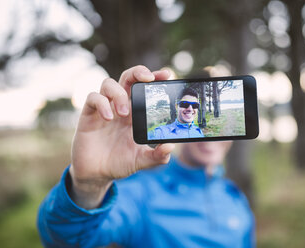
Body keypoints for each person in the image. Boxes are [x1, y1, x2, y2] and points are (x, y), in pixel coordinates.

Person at [37, 65, 255, 248]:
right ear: (178, 108)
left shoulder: (234, 196)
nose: (189, 109)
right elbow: (67, 240)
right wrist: (87, 186)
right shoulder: (141, 193)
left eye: (195, 106)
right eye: (185, 104)